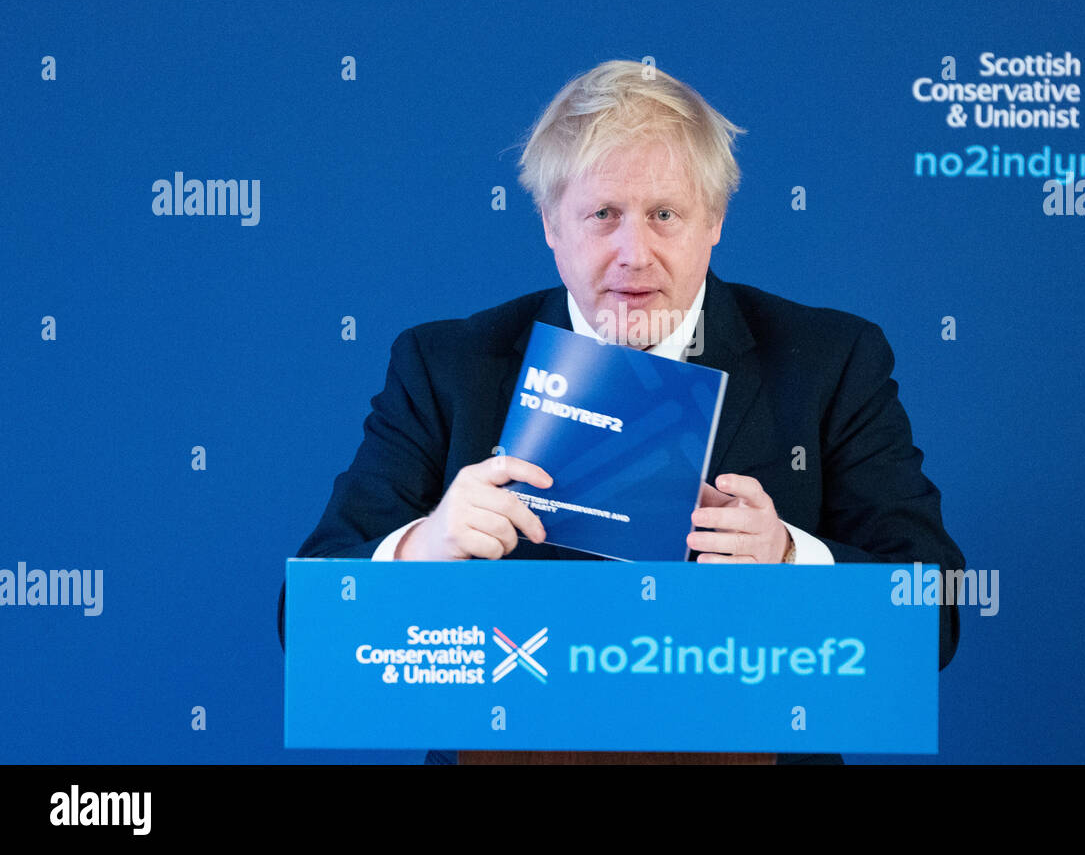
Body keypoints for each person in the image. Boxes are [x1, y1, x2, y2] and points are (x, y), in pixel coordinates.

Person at [279, 60, 965, 759]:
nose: (634, 253)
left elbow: (932, 619)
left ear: (715, 221)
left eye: (664, 215)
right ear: (551, 223)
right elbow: (304, 628)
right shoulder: (447, 366)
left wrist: (792, 560)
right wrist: (423, 548)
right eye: (603, 214)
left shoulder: (829, 360)